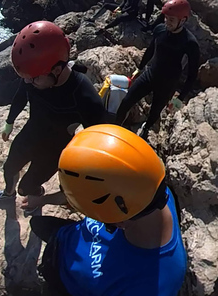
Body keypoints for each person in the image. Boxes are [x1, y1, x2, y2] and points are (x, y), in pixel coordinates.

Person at [26, 124, 186, 296]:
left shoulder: (149, 286)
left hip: (64, 284)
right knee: (36, 223)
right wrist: (42, 201)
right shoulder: (150, 187)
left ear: (120, 222)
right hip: (66, 235)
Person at [0, 21, 107, 215]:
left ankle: (35, 195)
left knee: (25, 188)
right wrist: (9, 122)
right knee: (9, 168)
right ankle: (8, 195)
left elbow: (97, 139)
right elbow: (21, 94)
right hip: (31, 132)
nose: (28, 82)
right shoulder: (36, 73)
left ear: (57, 70)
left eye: (32, 78)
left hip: (53, 150)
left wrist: (72, 175)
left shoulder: (82, 95)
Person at [115, 0, 200, 139]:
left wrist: (180, 97)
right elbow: (150, 50)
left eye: (171, 20)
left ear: (183, 20)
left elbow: (192, 74)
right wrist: (140, 68)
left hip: (167, 84)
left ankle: (145, 129)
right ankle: (116, 128)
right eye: (166, 18)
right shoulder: (160, 29)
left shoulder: (190, 43)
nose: (167, 22)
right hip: (150, 74)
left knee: (154, 113)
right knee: (126, 101)